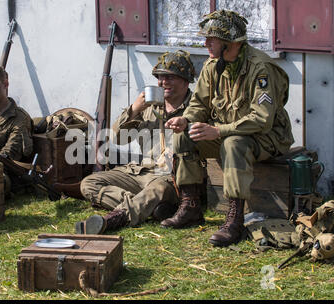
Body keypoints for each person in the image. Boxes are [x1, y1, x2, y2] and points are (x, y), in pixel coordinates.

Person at [165, 10, 294, 247]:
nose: (205, 44)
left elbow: (262, 119)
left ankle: (235, 219)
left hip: (267, 137)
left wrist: (220, 131)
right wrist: (186, 119)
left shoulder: (260, 68)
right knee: (184, 136)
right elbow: (199, 104)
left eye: (211, 39)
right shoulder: (213, 66)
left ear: (229, 43)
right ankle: (191, 206)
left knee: (233, 143)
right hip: (230, 132)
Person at [75, 50, 197, 234]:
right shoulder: (150, 106)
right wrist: (133, 110)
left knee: (159, 190)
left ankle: (115, 218)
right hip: (141, 171)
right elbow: (116, 138)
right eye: (160, 77)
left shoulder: (196, 108)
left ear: (186, 80)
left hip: (171, 178)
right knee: (89, 184)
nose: (163, 82)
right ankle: (149, 207)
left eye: (170, 77)